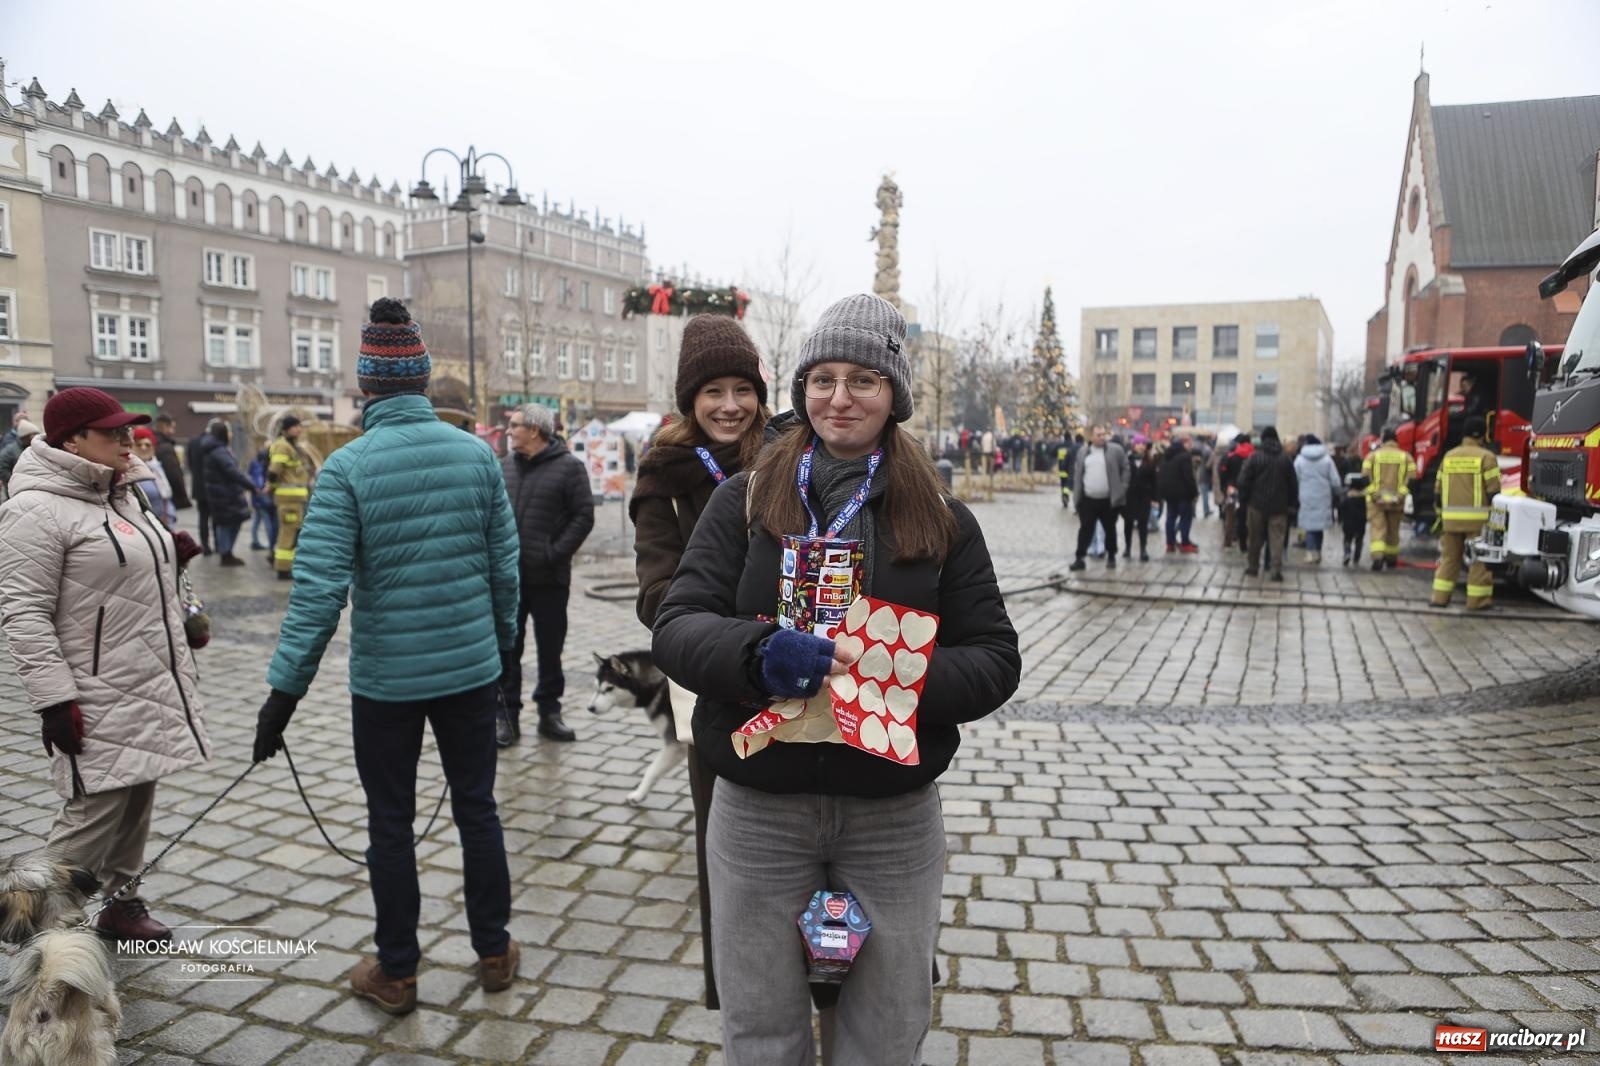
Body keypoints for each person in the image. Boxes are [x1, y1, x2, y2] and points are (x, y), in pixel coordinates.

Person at [653, 293, 1021, 1064]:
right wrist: (756, 659)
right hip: (758, 806)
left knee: (887, 1030)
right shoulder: (745, 499)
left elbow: (993, 659)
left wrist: (887, 678)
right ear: (800, 390)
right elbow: (678, 626)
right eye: (822, 378)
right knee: (761, 1030)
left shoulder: (944, 516)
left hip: (890, 810)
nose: (840, 398)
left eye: (863, 379)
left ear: (894, 395)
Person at [253, 297, 521, 1015]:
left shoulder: (347, 469)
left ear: (367, 385)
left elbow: (317, 593)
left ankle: (398, 972)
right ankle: (494, 952)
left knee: (390, 825)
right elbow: (506, 570)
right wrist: (501, 651)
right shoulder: (478, 457)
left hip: (388, 685)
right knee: (477, 810)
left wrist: (283, 694)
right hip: (470, 671)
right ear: (424, 381)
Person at [0, 387, 209, 942]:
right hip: (93, 690)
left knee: (138, 796)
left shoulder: (123, 492)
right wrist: (53, 699)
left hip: (147, 676)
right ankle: (38, 928)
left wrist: (168, 554)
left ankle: (122, 902)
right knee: (94, 810)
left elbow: (119, 570)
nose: (126, 439)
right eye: (111, 431)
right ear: (72, 440)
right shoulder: (34, 508)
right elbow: (22, 612)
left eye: (126, 430)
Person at [630, 314, 770, 1012]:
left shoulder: (791, 454)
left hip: (811, 687)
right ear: (690, 399)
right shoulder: (665, 475)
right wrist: (728, 630)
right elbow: (655, 593)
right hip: (716, 688)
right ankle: (745, 1002)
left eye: (742, 388)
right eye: (712, 390)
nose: (728, 405)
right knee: (727, 852)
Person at [499, 401, 595, 745]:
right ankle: (506, 716)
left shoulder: (570, 468)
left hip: (550, 579)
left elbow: (583, 516)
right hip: (509, 578)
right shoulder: (506, 466)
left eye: (515, 426)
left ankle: (549, 713)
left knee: (550, 648)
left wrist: (554, 553)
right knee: (508, 647)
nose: (509, 432)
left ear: (535, 431)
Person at [1431, 415, 1500, 609]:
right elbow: (1494, 492)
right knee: (1479, 561)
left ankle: (1439, 598)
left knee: (1449, 559)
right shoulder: (1487, 457)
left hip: (1451, 520)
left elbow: (1438, 491)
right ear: (1482, 435)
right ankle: (1478, 602)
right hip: (1478, 522)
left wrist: (1440, 514)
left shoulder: (1449, 456)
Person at [1238, 425, 1299, 581]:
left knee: (1254, 538)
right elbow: (1293, 484)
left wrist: (1245, 500)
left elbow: (1243, 481)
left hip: (1256, 505)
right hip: (1279, 507)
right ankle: (1275, 571)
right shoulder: (1285, 459)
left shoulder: (1254, 457)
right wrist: (1292, 504)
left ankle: (1253, 567)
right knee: (1277, 540)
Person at [1069, 424, 1127, 571]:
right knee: (1085, 530)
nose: (1102, 437)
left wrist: (1122, 489)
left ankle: (1112, 556)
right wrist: (1077, 498)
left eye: (1103, 434)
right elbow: (1078, 474)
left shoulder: (1115, 451)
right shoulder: (1084, 452)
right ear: (1091, 437)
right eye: (1098, 435)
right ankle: (1079, 558)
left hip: (1108, 499)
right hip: (1088, 498)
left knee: (1110, 529)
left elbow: (1126, 468)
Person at [266, 415, 315, 581]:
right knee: (287, 533)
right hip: (288, 500)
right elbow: (274, 471)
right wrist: (269, 487)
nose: (299, 429)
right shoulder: (283, 446)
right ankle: (282, 568)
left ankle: (287, 566)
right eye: (295, 426)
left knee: (293, 532)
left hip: (296, 499)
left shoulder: (291, 446)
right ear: (286, 428)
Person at [201, 421, 255, 568]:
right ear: (223, 433)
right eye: (229, 431)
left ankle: (226, 552)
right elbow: (233, 471)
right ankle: (226, 554)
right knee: (228, 523)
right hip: (225, 495)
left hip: (222, 494)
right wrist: (251, 485)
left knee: (229, 522)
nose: (231, 434)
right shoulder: (219, 451)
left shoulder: (218, 449)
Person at [1362, 427, 1415, 571]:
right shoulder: (1406, 457)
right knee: (1393, 530)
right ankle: (1391, 559)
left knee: (1378, 528)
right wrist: (1400, 496)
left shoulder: (1372, 456)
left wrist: (1375, 495)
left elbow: (1365, 478)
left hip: (1376, 502)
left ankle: (1378, 559)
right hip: (1396, 502)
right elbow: (1411, 480)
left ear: (1383, 440)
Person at [1293, 433, 1343, 564]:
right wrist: (1337, 492)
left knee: (1309, 526)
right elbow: (1335, 481)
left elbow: (1294, 479)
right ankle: (1318, 553)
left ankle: (1310, 553)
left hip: (1305, 496)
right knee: (1319, 527)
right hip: (1323, 497)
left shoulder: (1299, 460)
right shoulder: (1327, 460)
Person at [1158, 436, 1199, 553]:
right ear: (1183, 444)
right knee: (1186, 518)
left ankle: (1170, 543)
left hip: (1170, 495)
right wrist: (1194, 492)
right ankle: (1185, 543)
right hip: (1183, 494)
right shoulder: (1184, 457)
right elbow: (1189, 477)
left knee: (1170, 518)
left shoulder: (1166, 456)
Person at [130, 427, 177, 528]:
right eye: (139, 444)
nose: (143, 448)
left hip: (164, 526)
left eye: (147, 444)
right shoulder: (129, 471)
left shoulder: (157, 468)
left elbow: (166, 498)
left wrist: (170, 518)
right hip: (143, 527)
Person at [1121, 440, 1158, 561]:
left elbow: (1154, 481)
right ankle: (1127, 548)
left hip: (1144, 497)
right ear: (1134, 445)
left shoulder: (1150, 461)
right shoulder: (1127, 459)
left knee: (1143, 524)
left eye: (1143, 444)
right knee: (1128, 523)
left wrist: (1155, 498)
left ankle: (1143, 549)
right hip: (1129, 496)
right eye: (1139, 443)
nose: (1141, 446)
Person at [1218, 433, 1253, 551]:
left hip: (1232, 490)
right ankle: (1246, 543)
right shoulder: (1254, 456)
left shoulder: (1231, 456)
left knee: (1230, 517)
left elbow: (1223, 473)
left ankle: (1228, 542)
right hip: (1249, 492)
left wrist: (1225, 487)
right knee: (1248, 519)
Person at [152, 413, 191, 510]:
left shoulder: (153, 442)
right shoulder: (166, 447)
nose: (173, 431)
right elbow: (173, 474)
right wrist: (183, 498)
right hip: (166, 494)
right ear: (165, 426)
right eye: (172, 427)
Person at [187, 421, 214, 554]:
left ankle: (205, 545)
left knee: (203, 516)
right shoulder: (214, 443)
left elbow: (190, 463)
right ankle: (218, 545)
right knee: (215, 517)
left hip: (198, 486)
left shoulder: (193, 442)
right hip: (213, 486)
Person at [0, 417, 40, 498]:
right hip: (16, 492)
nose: (34, 437)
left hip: (32, 490)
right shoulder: (9, 451)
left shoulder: (33, 448)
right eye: (32, 435)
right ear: (25, 436)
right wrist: (15, 480)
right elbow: (2, 469)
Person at [248, 447, 279, 551]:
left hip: (257, 499)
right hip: (262, 499)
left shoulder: (254, 464)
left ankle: (255, 541)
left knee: (257, 521)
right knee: (268, 523)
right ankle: (271, 544)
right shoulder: (259, 466)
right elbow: (259, 482)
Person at [1340, 472, 1369, 566]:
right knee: (1359, 540)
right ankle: (1357, 556)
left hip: (1348, 524)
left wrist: (1340, 519)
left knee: (1347, 539)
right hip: (1360, 524)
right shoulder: (1364, 499)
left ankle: (1347, 553)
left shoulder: (1347, 498)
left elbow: (1341, 508)